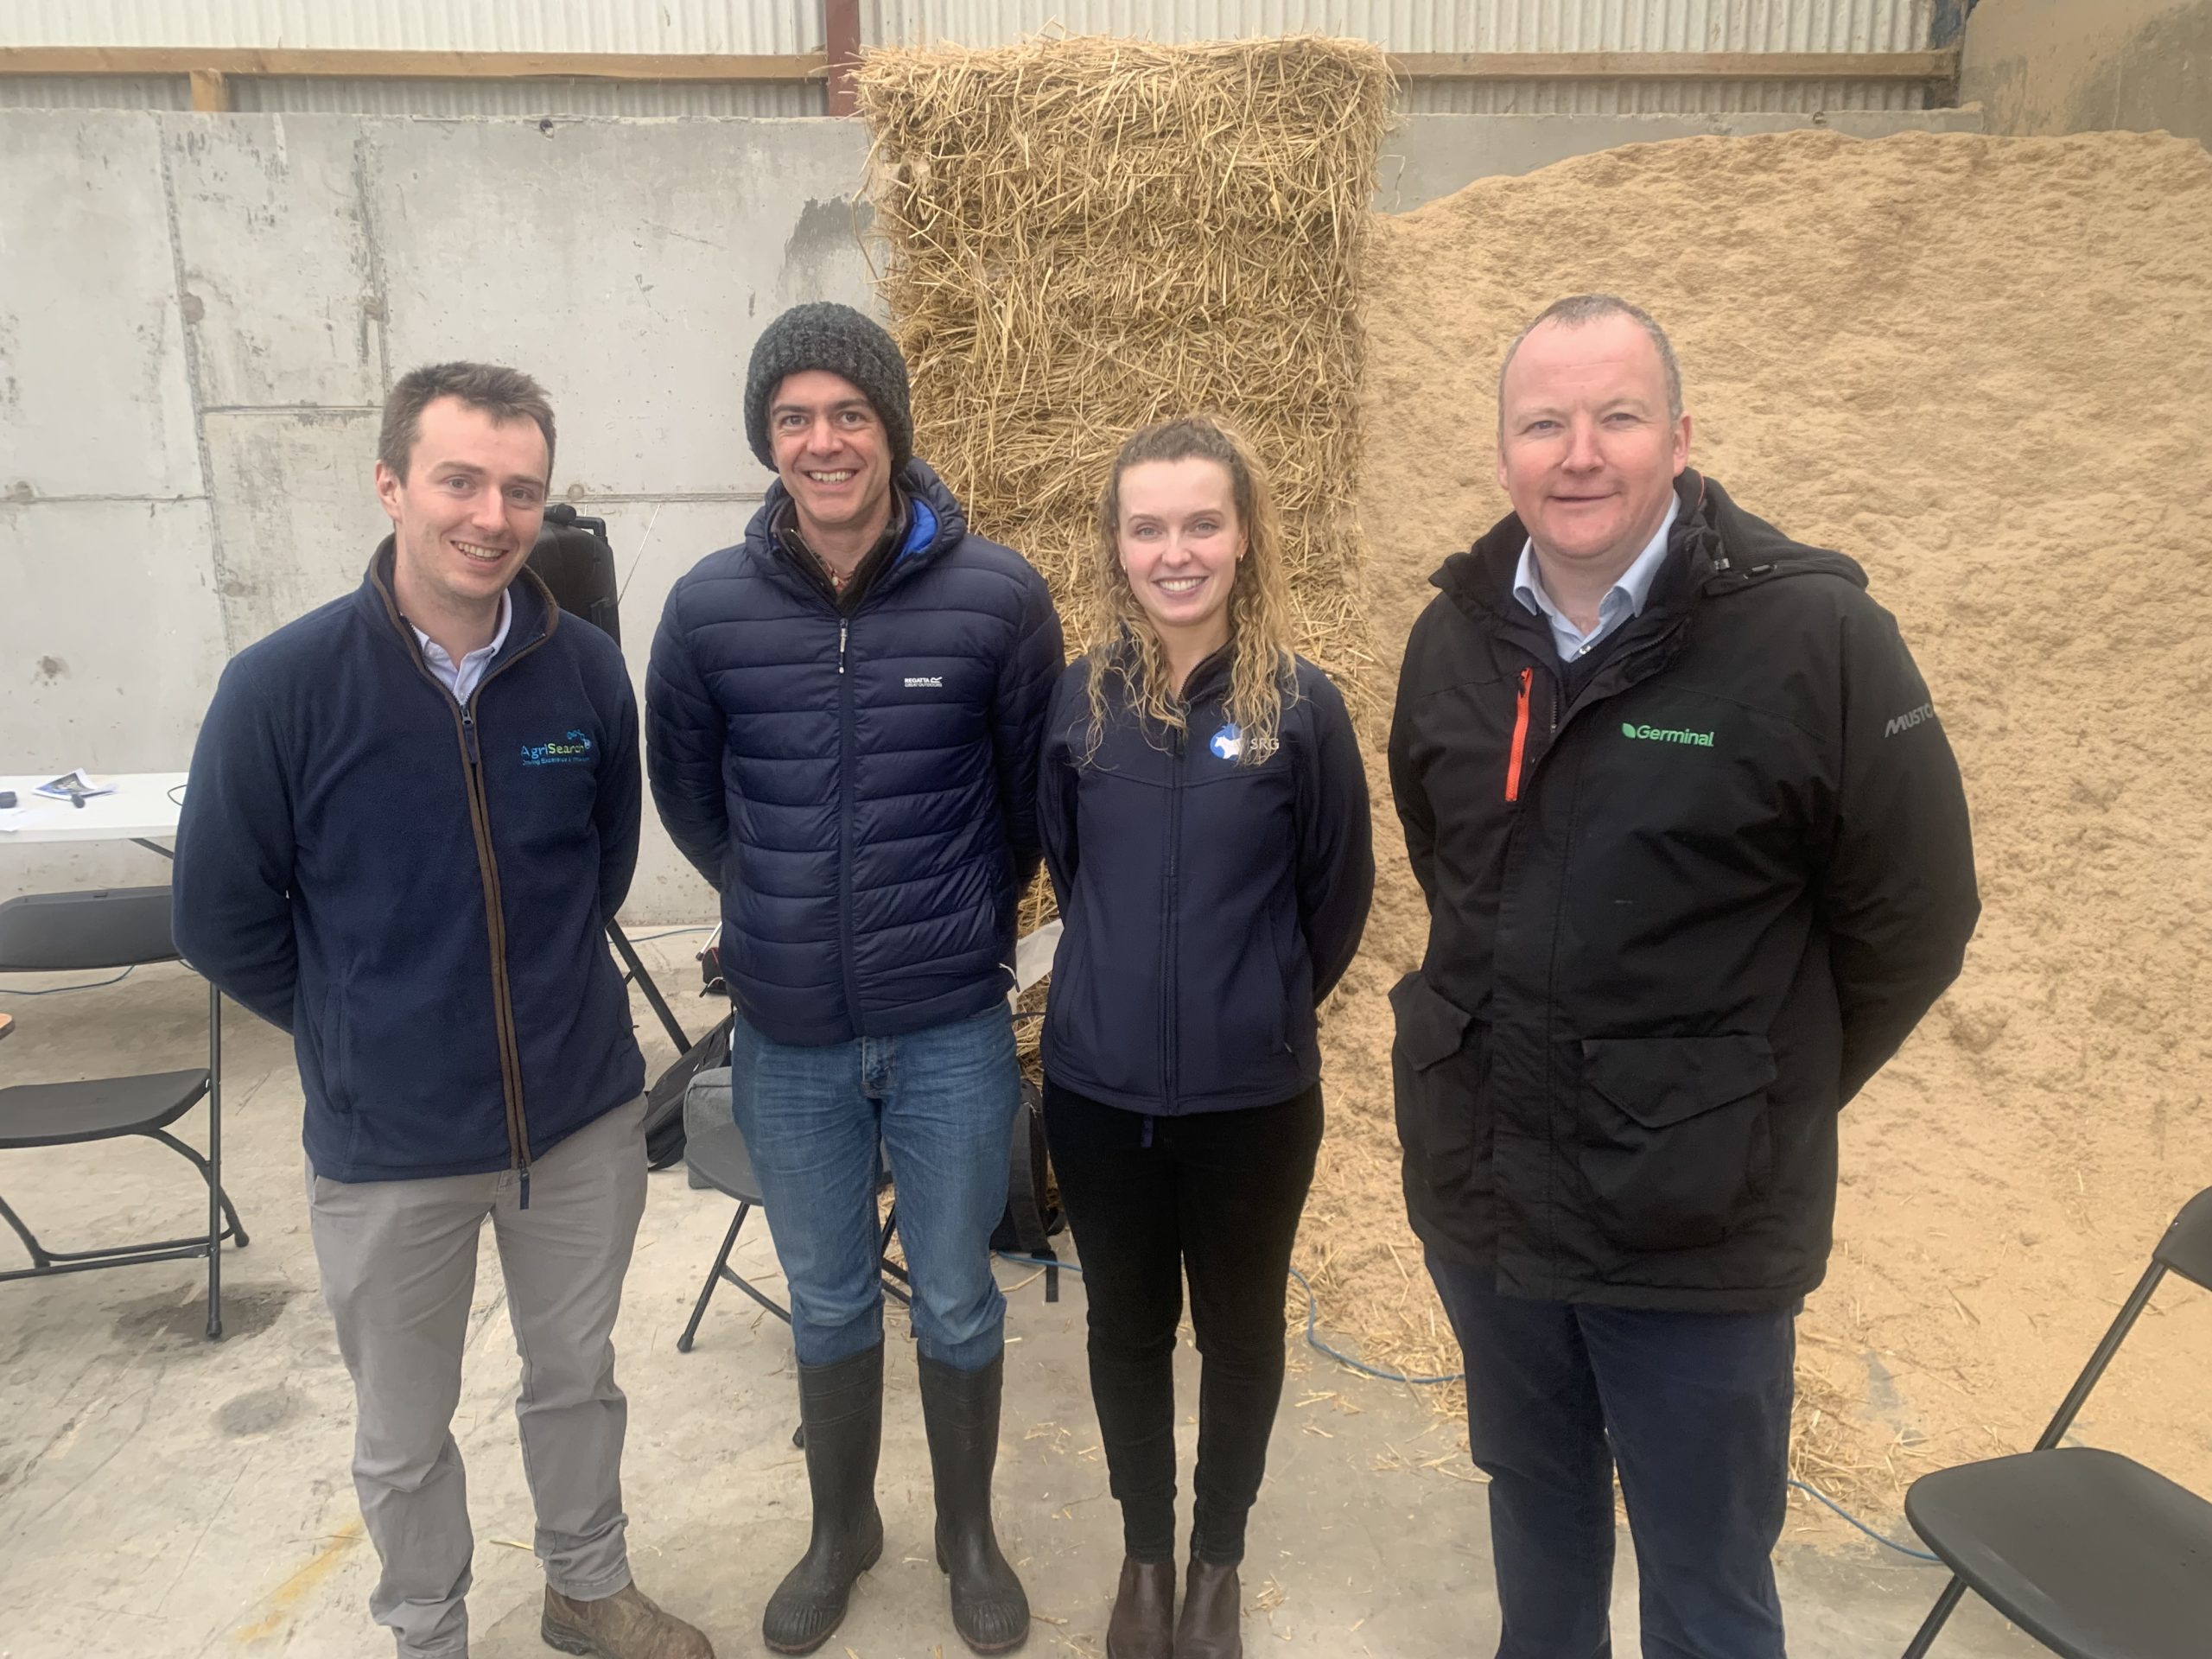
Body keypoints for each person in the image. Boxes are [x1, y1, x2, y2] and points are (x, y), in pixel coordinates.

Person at [1386, 295, 1980, 1659]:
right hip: (1493, 1202)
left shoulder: (1815, 641)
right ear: (1502, 456)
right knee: (1537, 1531)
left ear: (1681, 438)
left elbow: (1916, 921)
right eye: (1544, 423)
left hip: (1695, 1234)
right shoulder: (1455, 638)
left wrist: (1749, 1093)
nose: (1578, 453)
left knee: (1707, 1586)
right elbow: (1451, 872)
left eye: (1616, 416)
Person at [173, 362, 712, 1659]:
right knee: (403, 1433)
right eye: (460, 480)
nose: (492, 515)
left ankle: (588, 1588)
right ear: (392, 483)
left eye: (520, 489)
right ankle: (429, 1631)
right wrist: (361, 1031)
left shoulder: (583, 677)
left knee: (578, 1379)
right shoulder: (282, 688)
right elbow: (220, 918)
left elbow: (597, 868)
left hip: (578, 1123)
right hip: (390, 1145)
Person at [645, 302, 1062, 1657]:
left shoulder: (996, 595)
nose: (822, 443)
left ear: (890, 427)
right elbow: (696, 805)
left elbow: (1024, 805)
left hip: (947, 1025)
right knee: (826, 1291)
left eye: (848, 413)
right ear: (768, 441)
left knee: (953, 1291)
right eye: (793, 419)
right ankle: (843, 1533)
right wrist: (774, 902)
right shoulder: (707, 608)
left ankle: (965, 1535)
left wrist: (943, 925)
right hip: (789, 1036)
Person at [1037, 416, 1375, 1659]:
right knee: (1124, 1329)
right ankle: (1143, 1557)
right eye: (1147, 527)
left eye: (1201, 523)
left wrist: (1260, 999)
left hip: (1254, 1105)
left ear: (1244, 536)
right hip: (1098, 1092)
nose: (1175, 552)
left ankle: (1217, 1563)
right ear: (1116, 545)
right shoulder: (1079, 701)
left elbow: (1334, 902)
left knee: (1240, 1331)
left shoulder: (1305, 711)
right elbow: (1070, 870)